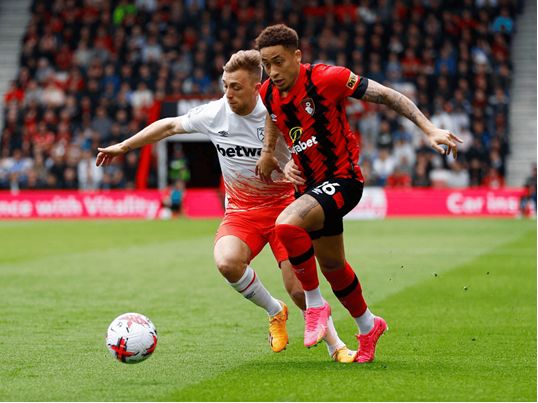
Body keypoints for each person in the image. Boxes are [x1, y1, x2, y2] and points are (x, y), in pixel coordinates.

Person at [96, 50, 356, 363]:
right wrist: (124, 146)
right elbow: (169, 126)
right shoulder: (215, 113)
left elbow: (310, 144)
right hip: (242, 211)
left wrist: (294, 165)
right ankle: (275, 311)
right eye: (225, 86)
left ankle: (336, 346)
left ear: (256, 87)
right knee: (227, 262)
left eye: (236, 87)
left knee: (300, 291)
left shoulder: (276, 111)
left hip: (287, 208)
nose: (228, 93)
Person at [255, 24, 463, 363]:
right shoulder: (268, 91)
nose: (273, 71)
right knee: (333, 266)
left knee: (286, 224)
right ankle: (369, 325)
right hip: (309, 187)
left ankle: (315, 306)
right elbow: (273, 115)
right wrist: (271, 153)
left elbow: (388, 95)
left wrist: (429, 129)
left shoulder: (328, 78)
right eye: (266, 64)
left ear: (297, 56)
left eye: (278, 62)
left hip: (343, 179)